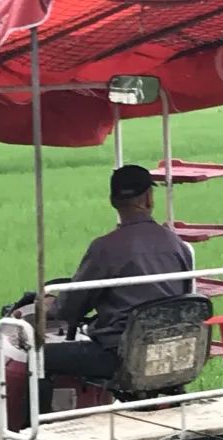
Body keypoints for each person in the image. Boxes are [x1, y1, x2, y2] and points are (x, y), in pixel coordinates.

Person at [40, 164, 193, 411]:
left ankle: (38, 431)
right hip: (173, 352)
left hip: (122, 356)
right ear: (149, 198)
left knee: (39, 358)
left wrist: (47, 307)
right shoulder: (178, 245)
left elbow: (70, 308)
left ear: (113, 200)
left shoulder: (105, 248)